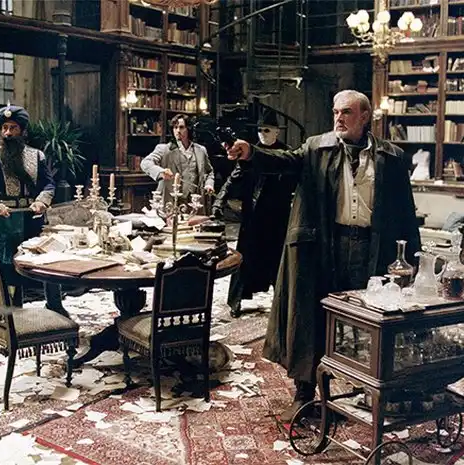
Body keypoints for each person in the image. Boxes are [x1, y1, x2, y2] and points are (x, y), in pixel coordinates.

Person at [226, 90, 421, 421]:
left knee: (369, 318)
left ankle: (368, 388)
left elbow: (405, 210)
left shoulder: (392, 157)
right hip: (325, 245)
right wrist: (251, 153)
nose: (339, 118)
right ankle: (304, 393)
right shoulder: (316, 147)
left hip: (371, 248)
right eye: (335, 112)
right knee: (312, 316)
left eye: (346, 112)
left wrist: (413, 257)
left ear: (365, 117)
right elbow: (283, 161)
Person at [0, 104, 63, 313]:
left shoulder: (37, 156)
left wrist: (41, 201)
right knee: (7, 267)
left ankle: (55, 307)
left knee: (46, 262)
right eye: (4, 128)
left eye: (13, 128)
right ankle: (13, 313)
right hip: (7, 220)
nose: (8, 133)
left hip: (34, 219)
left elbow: (49, 184)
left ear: (22, 130)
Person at [212, 110, 297, 318]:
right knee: (244, 258)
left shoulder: (287, 154)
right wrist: (219, 201)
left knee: (277, 260)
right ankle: (236, 301)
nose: (262, 134)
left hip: (278, 214)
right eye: (259, 130)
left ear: (276, 132)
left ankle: (281, 302)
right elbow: (234, 177)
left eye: (266, 130)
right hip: (254, 214)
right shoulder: (251, 152)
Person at [141, 114, 215, 214]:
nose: (177, 131)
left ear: (188, 129)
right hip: (169, 202)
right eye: (175, 127)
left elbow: (209, 172)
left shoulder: (200, 150)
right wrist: (161, 172)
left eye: (181, 127)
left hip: (193, 204)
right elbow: (145, 163)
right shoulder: (164, 149)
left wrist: (209, 185)